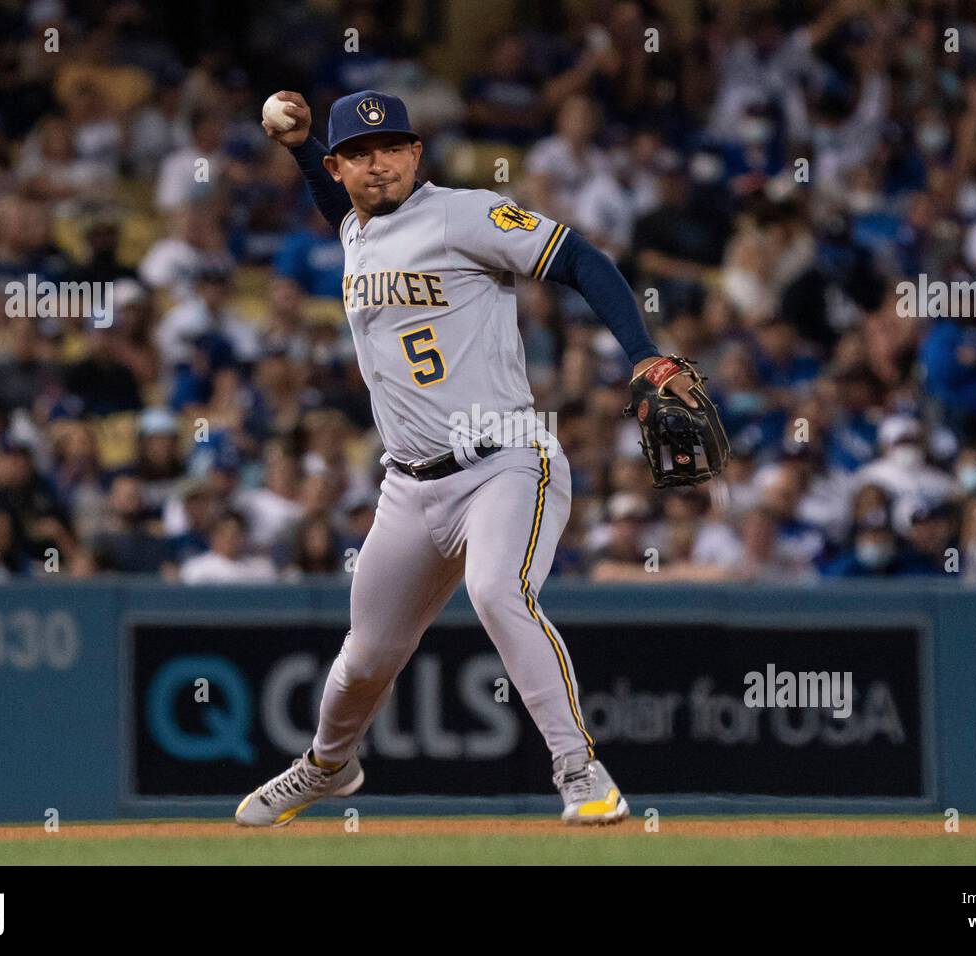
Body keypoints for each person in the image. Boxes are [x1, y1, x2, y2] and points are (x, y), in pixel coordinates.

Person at [237, 89, 700, 827]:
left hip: (506, 459)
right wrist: (296, 151)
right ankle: (328, 765)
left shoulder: (463, 214)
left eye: (390, 147)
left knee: (496, 590)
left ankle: (580, 771)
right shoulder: (355, 229)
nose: (377, 164)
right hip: (409, 485)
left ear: (416, 153)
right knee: (365, 657)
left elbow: (579, 257)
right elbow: (343, 214)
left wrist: (643, 355)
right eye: (358, 154)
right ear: (339, 168)